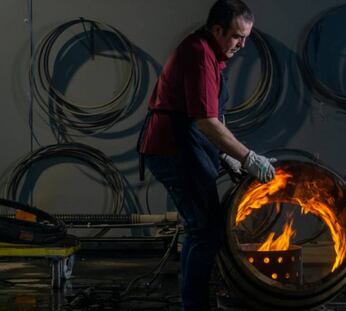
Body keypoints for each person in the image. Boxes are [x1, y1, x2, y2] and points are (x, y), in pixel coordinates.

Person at [137, 0, 276, 309]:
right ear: (217, 29)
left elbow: (211, 115)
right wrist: (248, 158)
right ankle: (195, 304)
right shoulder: (199, 55)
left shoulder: (212, 54)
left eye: (246, 38)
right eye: (237, 36)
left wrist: (226, 156)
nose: (242, 45)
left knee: (202, 229)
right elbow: (206, 121)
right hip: (173, 147)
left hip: (186, 145)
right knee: (206, 230)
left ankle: (194, 301)